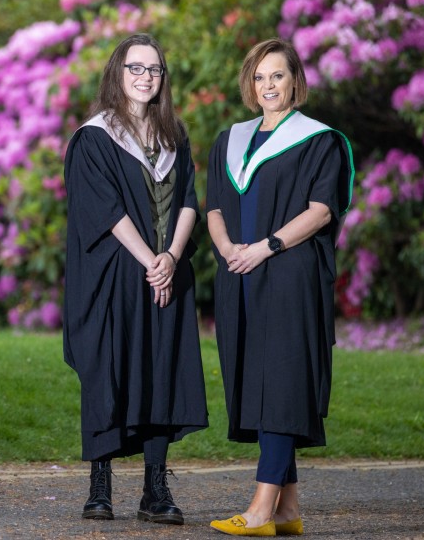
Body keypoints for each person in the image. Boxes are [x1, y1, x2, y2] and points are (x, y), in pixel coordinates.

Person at [206, 38, 354, 537]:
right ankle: (289, 510)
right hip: (240, 275)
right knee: (261, 382)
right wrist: (229, 248)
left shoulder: (319, 140)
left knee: (283, 382)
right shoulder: (230, 139)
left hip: (290, 274)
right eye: (259, 77)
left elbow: (321, 210)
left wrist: (265, 246)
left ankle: (261, 509)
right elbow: (214, 209)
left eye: (277, 76)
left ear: (295, 81)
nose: (268, 85)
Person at [63, 33, 208, 526]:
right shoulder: (95, 136)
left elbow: (190, 198)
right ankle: (99, 484)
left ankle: (155, 488)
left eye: (154, 69)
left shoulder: (174, 136)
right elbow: (104, 210)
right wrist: (151, 260)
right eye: (135, 68)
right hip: (114, 275)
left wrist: (170, 257)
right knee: (109, 368)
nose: (146, 77)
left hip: (165, 271)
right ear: (117, 75)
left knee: (160, 370)